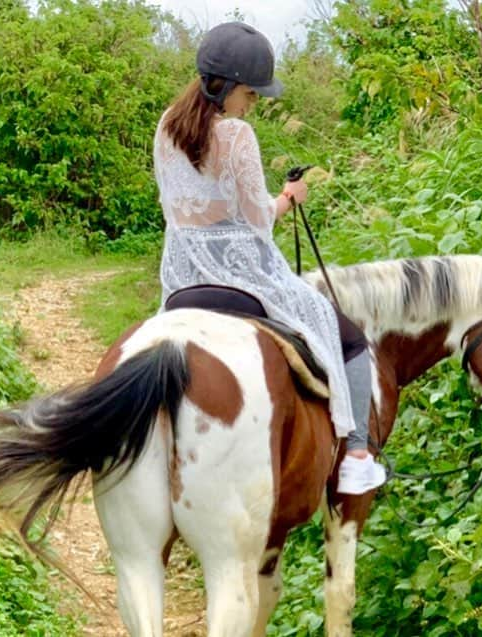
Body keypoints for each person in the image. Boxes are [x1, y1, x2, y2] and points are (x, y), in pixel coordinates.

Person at [153, 21, 386, 495]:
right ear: (230, 87)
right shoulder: (236, 134)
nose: (252, 104)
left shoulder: (167, 126)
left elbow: (192, 208)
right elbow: (257, 220)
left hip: (180, 281)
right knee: (350, 341)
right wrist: (290, 197)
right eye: (251, 95)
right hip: (242, 279)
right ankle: (357, 454)